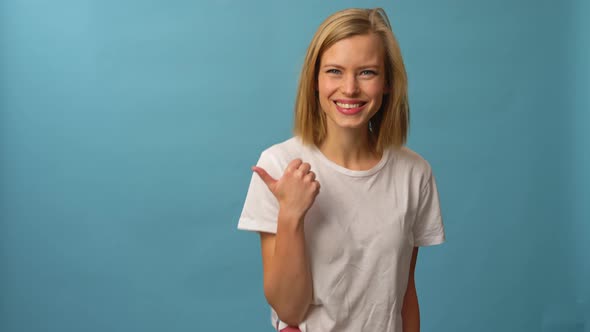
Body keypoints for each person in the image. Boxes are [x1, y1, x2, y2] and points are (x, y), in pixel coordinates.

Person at [238, 7, 445, 332]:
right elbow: (289, 311)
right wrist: (291, 214)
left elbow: (404, 295)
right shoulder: (279, 165)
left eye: (367, 73)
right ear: (315, 80)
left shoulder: (414, 173)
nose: (349, 89)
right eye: (334, 71)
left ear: (388, 83)